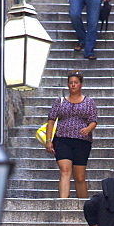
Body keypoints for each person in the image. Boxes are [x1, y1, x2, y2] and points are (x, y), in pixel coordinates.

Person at [45, 71, 97, 199]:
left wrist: (88, 129)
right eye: (71, 83)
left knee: (79, 177)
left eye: (76, 82)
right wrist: (48, 140)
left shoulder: (89, 102)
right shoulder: (60, 101)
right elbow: (51, 121)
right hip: (62, 139)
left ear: (81, 84)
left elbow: (93, 120)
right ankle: (63, 203)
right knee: (65, 170)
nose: (73, 85)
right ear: (68, 85)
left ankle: (84, 206)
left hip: (82, 141)